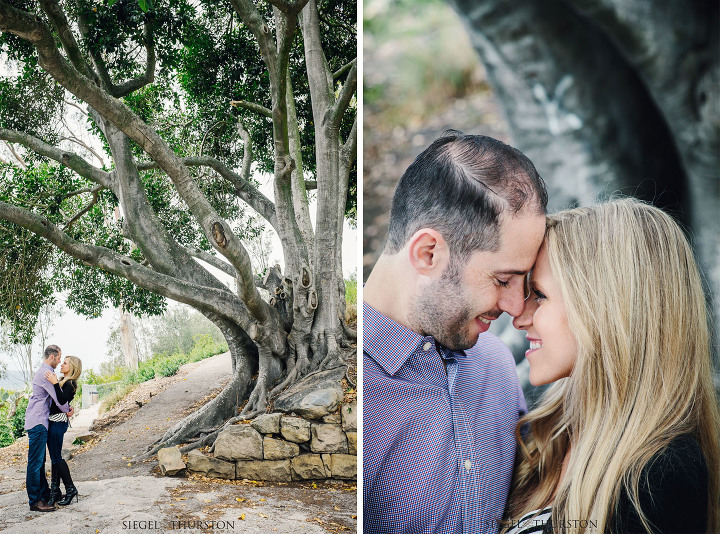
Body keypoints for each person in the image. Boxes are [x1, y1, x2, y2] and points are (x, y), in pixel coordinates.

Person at [363, 131, 549, 533]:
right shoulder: (355, 393)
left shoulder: (498, 366)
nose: (517, 309)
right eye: (503, 280)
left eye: (526, 281)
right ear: (428, 253)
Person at [506, 199, 720, 534]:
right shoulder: (548, 434)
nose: (519, 317)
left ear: (603, 311)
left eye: (539, 294)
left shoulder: (659, 475)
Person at [23, 344, 73, 512]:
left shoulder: (45, 372)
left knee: (40, 462)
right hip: (37, 422)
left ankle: (44, 495)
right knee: (35, 463)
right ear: (51, 357)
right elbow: (58, 399)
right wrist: (68, 410)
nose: (59, 361)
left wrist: (67, 409)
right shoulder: (46, 374)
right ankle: (35, 501)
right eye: (59, 358)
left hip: (39, 421)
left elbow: (54, 399)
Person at [44, 355, 82, 506]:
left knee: (57, 458)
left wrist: (54, 383)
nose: (61, 365)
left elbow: (60, 400)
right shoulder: (63, 381)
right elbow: (62, 403)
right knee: (55, 458)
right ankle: (55, 491)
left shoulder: (71, 383)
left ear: (72, 367)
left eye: (65, 363)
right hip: (53, 421)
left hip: (58, 422)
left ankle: (70, 489)